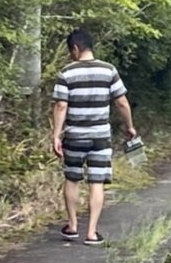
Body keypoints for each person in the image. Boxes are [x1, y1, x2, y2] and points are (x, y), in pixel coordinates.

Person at [51, 28, 137, 247]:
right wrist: (130, 126)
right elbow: (122, 102)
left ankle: (71, 226)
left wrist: (56, 135)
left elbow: (61, 105)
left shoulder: (66, 73)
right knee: (96, 182)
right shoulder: (109, 70)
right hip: (100, 137)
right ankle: (91, 233)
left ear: (75, 48)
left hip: (74, 137)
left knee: (72, 179)